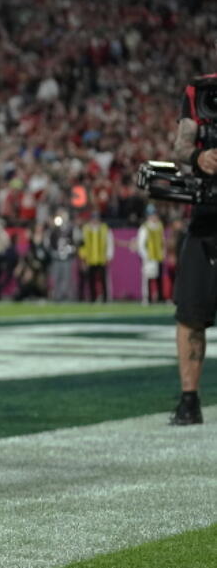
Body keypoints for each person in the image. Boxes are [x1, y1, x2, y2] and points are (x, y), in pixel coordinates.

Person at [165, 72, 217, 425]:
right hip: (209, 212)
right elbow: (180, 148)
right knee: (191, 311)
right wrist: (200, 158)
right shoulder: (202, 90)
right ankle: (189, 400)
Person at [78, 211, 114, 303]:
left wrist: (109, 256)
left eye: (96, 218)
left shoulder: (104, 229)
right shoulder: (86, 229)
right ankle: (92, 298)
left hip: (101, 258)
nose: (95, 221)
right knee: (91, 280)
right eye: (93, 218)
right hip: (90, 259)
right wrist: (83, 257)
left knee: (103, 280)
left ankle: (105, 298)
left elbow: (110, 243)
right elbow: (82, 244)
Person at [44, 211, 79, 302]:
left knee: (67, 278)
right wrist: (53, 252)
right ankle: (57, 297)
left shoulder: (71, 229)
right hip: (56, 258)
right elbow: (48, 243)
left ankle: (68, 297)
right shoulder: (53, 230)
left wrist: (70, 251)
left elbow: (76, 242)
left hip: (67, 258)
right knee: (56, 278)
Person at [136, 206, 166, 305]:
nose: (154, 217)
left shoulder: (159, 226)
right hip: (149, 257)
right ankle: (147, 298)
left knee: (159, 278)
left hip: (158, 256)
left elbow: (162, 241)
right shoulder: (144, 227)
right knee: (148, 278)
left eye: (155, 214)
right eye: (152, 215)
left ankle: (160, 298)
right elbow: (141, 243)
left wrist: (163, 252)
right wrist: (145, 255)